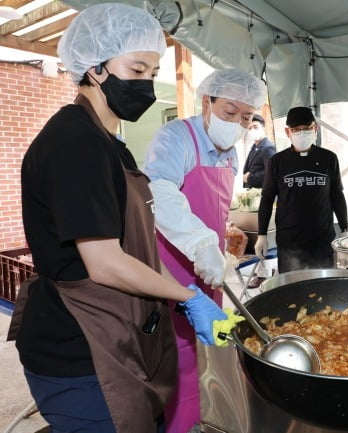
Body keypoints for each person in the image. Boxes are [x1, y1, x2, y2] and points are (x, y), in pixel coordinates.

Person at [11, 4, 231, 433]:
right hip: (79, 348)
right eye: (136, 69)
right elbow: (104, 261)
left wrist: (179, 284)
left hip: (117, 335)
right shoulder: (74, 144)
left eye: (152, 71)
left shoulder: (111, 144)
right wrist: (187, 299)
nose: (147, 84)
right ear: (94, 68)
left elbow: (135, 243)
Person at [143, 69, 266, 433]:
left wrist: (223, 233)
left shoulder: (230, 155)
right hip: (172, 271)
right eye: (229, 112)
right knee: (176, 358)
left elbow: (209, 205)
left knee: (207, 353)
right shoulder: (176, 138)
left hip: (208, 270)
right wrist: (200, 244)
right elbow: (160, 194)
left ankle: (205, 421)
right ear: (206, 102)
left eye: (245, 117)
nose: (237, 124)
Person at [255, 106, 348, 273]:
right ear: (287, 132)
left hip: (322, 239)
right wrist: (261, 234)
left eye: (307, 129)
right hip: (289, 241)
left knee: (323, 287)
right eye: (296, 130)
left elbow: (336, 195)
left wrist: (344, 228)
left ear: (315, 129)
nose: (302, 133)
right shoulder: (277, 161)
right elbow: (267, 198)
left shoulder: (328, 158)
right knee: (292, 290)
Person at [242, 113, 276, 188]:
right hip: (251, 193)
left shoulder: (268, 148)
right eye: (250, 128)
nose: (252, 130)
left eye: (255, 127)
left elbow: (271, 173)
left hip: (262, 194)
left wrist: (249, 178)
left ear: (263, 128)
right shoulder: (254, 147)